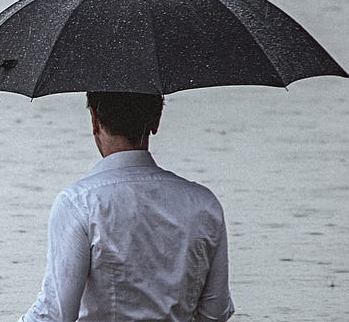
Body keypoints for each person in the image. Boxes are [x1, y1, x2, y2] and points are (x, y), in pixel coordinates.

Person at [19, 92, 234, 322]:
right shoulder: (203, 203)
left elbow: (56, 314)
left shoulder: (79, 203)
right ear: (156, 120)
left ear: (94, 120)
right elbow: (216, 311)